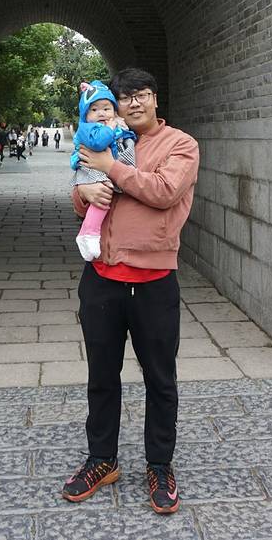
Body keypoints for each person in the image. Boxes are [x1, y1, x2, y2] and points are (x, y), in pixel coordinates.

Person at [61, 68, 199, 516]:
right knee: (102, 376)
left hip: (154, 282)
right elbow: (81, 194)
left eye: (142, 94)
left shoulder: (180, 144)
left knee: (160, 379)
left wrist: (110, 168)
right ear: (115, 103)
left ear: (155, 99)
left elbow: (164, 191)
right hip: (101, 277)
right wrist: (84, 189)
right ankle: (102, 459)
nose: (134, 103)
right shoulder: (101, 138)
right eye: (125, 97)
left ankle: (159, 465)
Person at [70, 81, 136, 261]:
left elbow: (125, 138)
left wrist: (125, 130)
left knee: (106, 193)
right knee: (103, 193)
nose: (101, 113)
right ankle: (89, 232)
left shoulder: (111, 125)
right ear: (85, 114)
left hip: (104, 166)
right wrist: (111, 128)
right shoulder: (87, 128)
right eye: (94, 109)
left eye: (106, 109)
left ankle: (88, 232)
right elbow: (99, 143)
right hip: (90, 169)